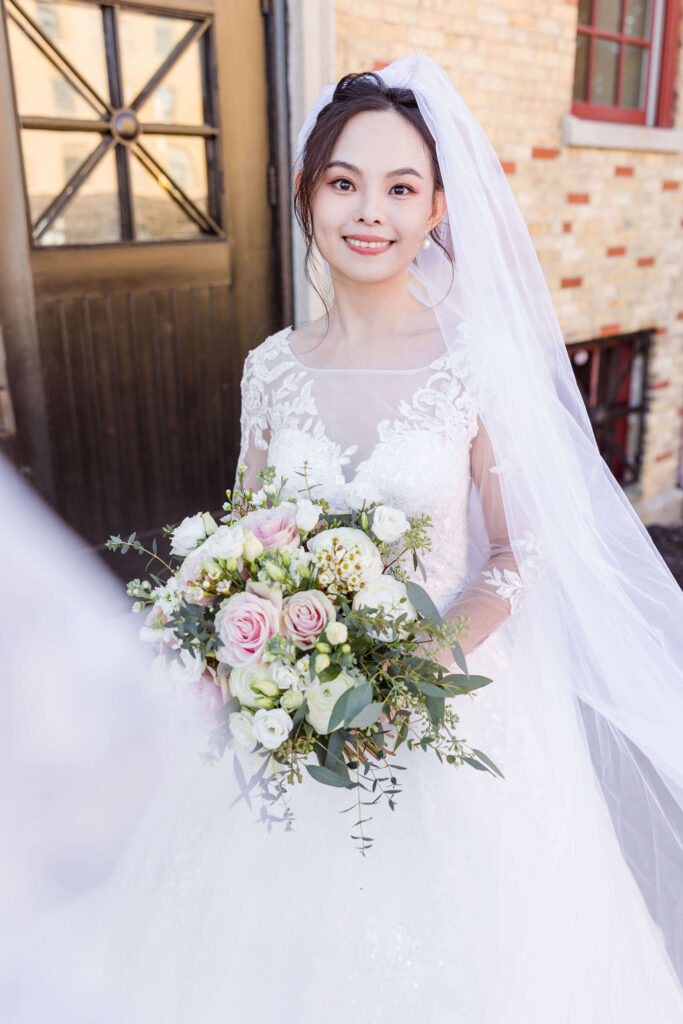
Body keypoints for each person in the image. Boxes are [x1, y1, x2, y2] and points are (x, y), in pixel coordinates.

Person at [3, 54, 683, 1023]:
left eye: (400, 187)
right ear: (307, 195)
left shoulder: (475, 363)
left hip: (448, 717)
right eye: (343, 182)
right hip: (294, 724)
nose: (371, 212)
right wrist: (223, 633)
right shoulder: (271, 367)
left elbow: (516, 550)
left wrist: (419, 661)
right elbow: (244, 532)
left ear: (439, 207)